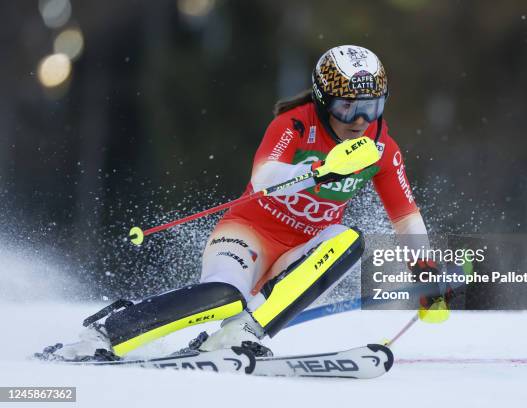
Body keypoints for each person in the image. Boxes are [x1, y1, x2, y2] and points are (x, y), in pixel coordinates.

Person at [43, 45, 434, 361]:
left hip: (299, 254)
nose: (362, 120)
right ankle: (104, 333)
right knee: (224, 298)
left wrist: (426, 270)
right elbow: (263, 179)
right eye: (349, 107)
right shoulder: (295, 125)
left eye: (374, 106)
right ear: (323, 99)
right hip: (247, 234)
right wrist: (320, 171)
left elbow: (406, 218)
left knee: (349, 239)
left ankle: (239, 335)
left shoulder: (382, 149)